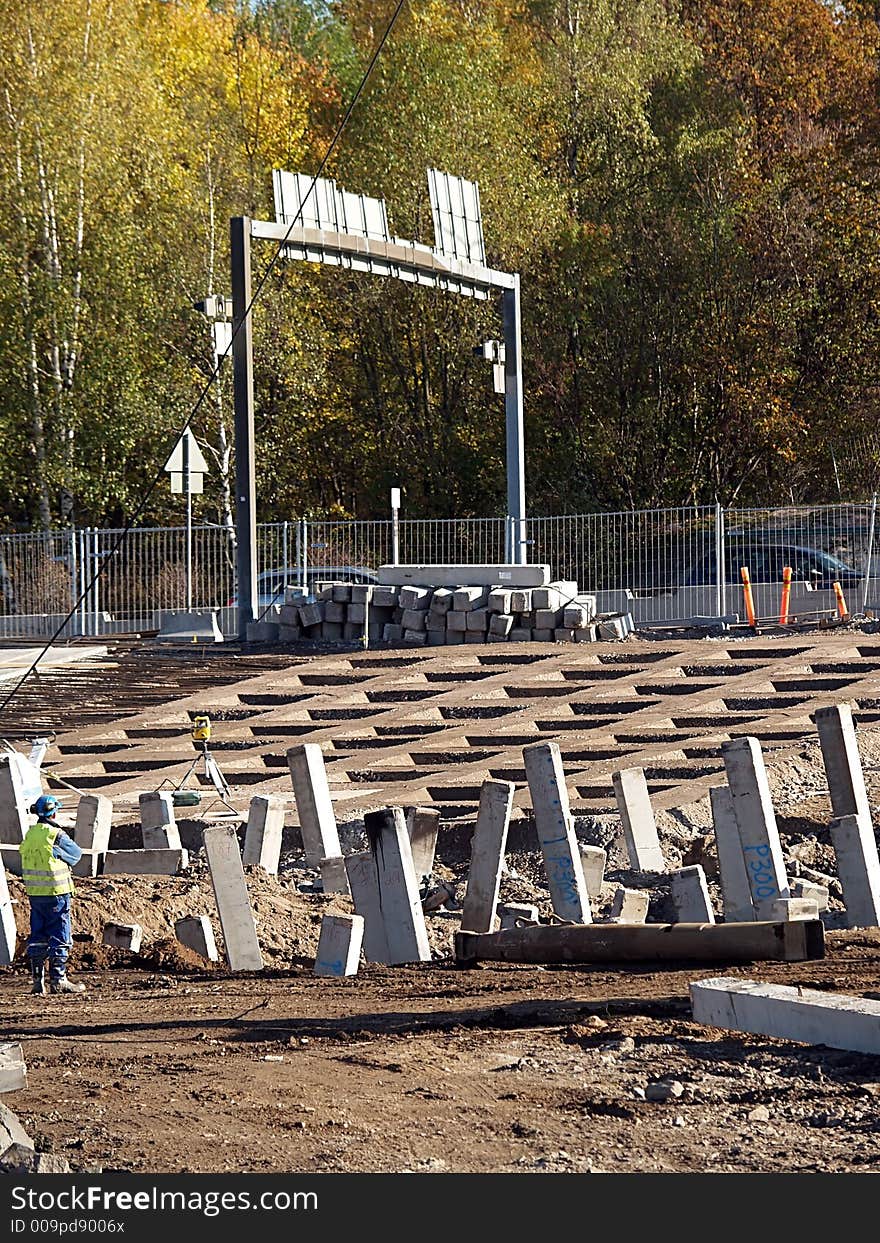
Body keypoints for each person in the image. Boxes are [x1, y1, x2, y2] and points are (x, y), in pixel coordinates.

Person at [19, 794, 86, 995]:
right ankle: (59, 980)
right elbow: (76, 855)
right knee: (59, 933)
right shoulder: (55, 834)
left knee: (38, 935)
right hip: (56, 892)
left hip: (35, 894)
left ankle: (37, 982)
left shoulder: (31, 834)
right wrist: (61, 855)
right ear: (53, 812)